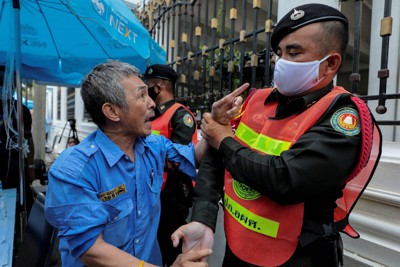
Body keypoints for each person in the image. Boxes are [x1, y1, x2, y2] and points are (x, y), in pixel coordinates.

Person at [172, 4, 381, 267]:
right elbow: (215, 159)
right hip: (238, 248)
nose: (280, 62)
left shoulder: (342, 116)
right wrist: (203, 218)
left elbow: (287, 179)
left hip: (297, 257)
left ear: (330, 64)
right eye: (278, 53)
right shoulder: (255, 100)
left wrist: (223, 139)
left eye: (293, 53)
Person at [44, 60, 247, 267]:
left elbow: (194, 156)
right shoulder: (73, 170)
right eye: (141, 95)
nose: (151, 103)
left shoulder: (153, 145)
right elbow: (91, 250)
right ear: (112, 112)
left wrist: (216, 122)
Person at [143, 64, 198, 266]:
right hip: (156, 190)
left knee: (171, 246)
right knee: (157, 243)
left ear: (158, 86)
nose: (144, 89)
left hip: (174, 192)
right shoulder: (153, 115)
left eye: (147, 84)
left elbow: (176, 160)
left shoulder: (180, 115)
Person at [0, 65, 35, 211]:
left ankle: (20, 231)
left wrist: (31, 166)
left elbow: (29, 139)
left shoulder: (21, 110)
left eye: (10, 82)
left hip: (16, 169)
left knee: (22, 207)